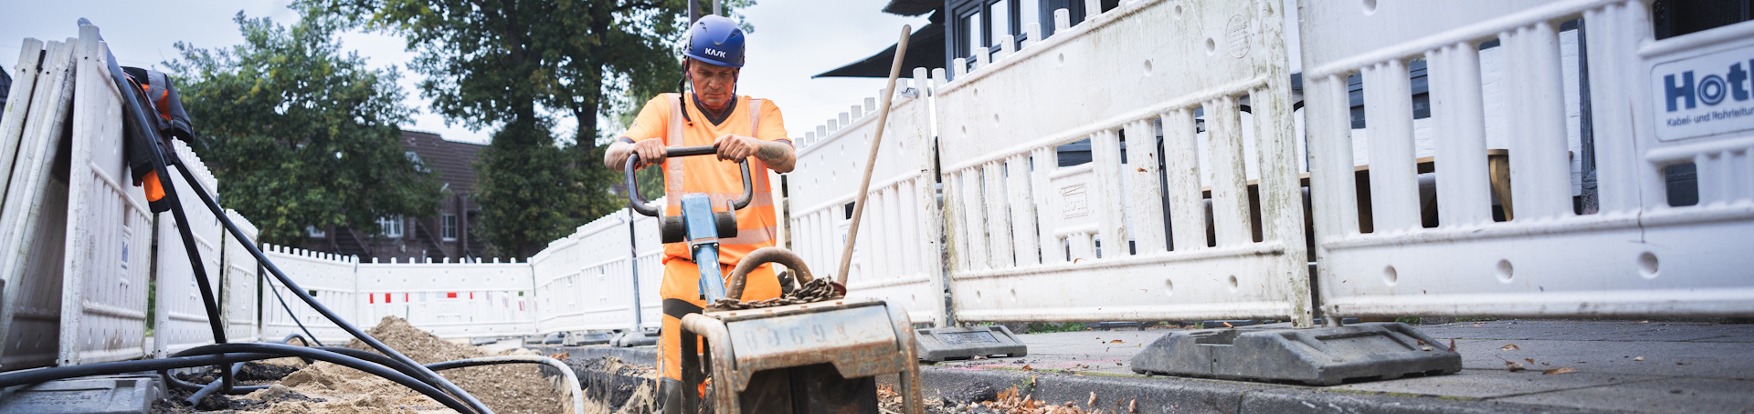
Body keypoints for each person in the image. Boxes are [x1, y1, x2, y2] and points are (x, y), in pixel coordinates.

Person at [601, 14, 796, 411]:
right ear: (687, 67)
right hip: (686, 270)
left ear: (737, 73)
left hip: (754, 270)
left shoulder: (760, 113)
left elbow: (786, 157)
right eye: (705, 72)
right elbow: (613, 154)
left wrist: (755, 146)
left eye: (724, 75)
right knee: (677, 391)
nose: (714, 84)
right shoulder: (666, 109)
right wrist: (638, 149)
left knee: (767, 388)